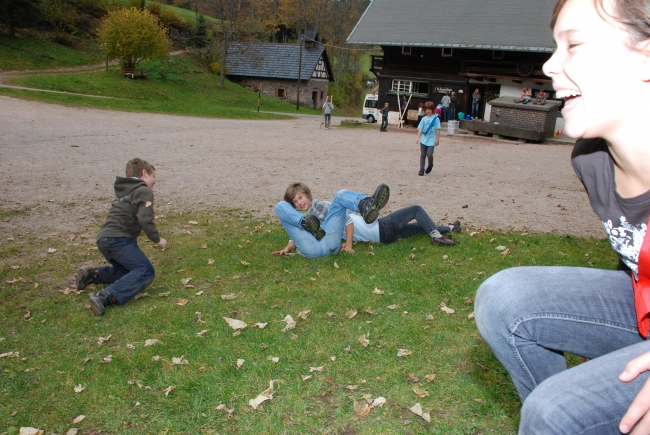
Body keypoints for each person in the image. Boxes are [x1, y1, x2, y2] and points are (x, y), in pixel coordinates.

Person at [475, 0, 650, 433]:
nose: (550, 65)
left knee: (554, 412)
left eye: (573, 44)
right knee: (504, 299)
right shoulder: (592, 161)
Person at [76, 158, 168, 316]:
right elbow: (145, 219)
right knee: (145, 270)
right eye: (153, 176)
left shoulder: (126, 190)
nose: (154, 181)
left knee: (128, 273)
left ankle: (92, 275)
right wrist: (158, 239)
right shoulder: (143, 191)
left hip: (104, 239)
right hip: (118, 240)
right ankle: (105, 297)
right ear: (144, 173)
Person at [272, 182, 390, 259]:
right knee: (279, 206)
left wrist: (349, 245)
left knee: (341, 194)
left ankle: (367, 205)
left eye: (300, 197)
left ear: (308, 195)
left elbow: (347, 219)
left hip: (329, 241)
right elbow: (295, 238)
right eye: (294, 202)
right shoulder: (294, 215)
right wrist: (287, 249)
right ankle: (305, 223)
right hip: (310, 247)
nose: (299, 202)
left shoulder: (323, 206)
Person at [343, 205, 461, 247]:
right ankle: (437, 237)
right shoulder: (339, 218)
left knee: (418, 227)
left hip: (383, 239)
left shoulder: (335, 225)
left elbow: (351, 215)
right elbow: (349, 221)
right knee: (416, 209)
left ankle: (451, 228)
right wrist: (348, 246)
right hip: (382, 227)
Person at [415, 102, 441, 176]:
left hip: (431, 140)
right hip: (423, 140)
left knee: (429, 154)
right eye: (426, 109)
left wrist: (437, 139)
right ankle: (421, 169)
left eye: (429, 109)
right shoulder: (423, 119)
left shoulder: (436, 119)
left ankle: (430, 164)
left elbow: (438, 129)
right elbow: (420, 129)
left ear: (433, 109)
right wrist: (418, 138)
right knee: (423, 155)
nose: (428, 111)